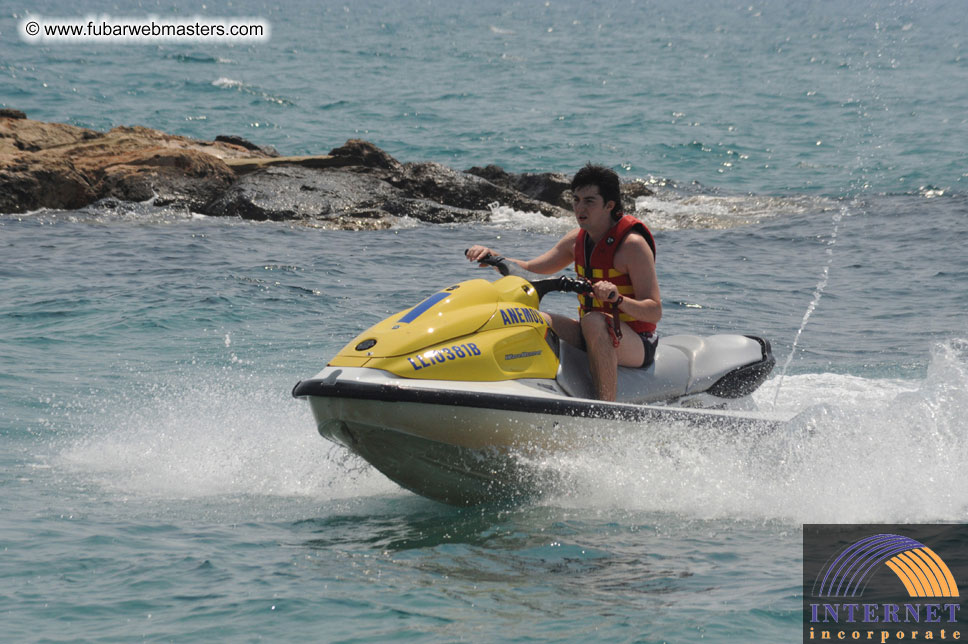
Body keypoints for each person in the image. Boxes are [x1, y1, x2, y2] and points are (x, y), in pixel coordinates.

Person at [466, 164, 661, 401]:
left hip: (637, 343)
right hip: (594, 330)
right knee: (529, 318)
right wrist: (494, 257)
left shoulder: (632, 246)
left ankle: (605, 407)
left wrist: (617, 299)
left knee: (594, 321)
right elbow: (529, 270)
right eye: (576, 200)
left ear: (610, 205)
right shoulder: (575, 241)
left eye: (589, 201)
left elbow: (654, 311)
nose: (579, 208)